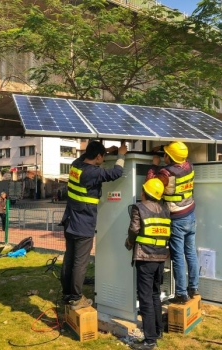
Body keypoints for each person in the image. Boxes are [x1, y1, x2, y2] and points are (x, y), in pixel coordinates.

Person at [60, 140, 127, 310]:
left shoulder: (76, 165)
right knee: (80, 263)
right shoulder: (93, 173)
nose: (103, 159)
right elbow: (116, 173)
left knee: (69, 259)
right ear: (97, 157)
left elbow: (87, 156)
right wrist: (120, 155)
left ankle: (67, 293)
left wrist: (106, 151)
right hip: (83, 224)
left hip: (70, 220)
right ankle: (76, 298)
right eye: (102, 157)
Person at [146, 141, 199, 304]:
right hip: (190, 213)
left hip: (177, 217)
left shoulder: (166, 173)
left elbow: (151, 185)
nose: (164, 156)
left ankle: (181, 294)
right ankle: (194, 288)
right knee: (190, 253)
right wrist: (161, 149)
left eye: (166, 154)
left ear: (170, 157)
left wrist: (153, 166)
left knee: (177, 256)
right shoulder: (188, 165)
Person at [125, 178, 170, 350]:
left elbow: (134, 230)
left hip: (145, 258)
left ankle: (150, 340)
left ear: (145, 192)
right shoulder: (165, 210)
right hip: (160, 258)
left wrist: (129, 242)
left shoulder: (139, 208)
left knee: (145, 297)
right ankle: (157, 331)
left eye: (142, 190)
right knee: (154, 294)